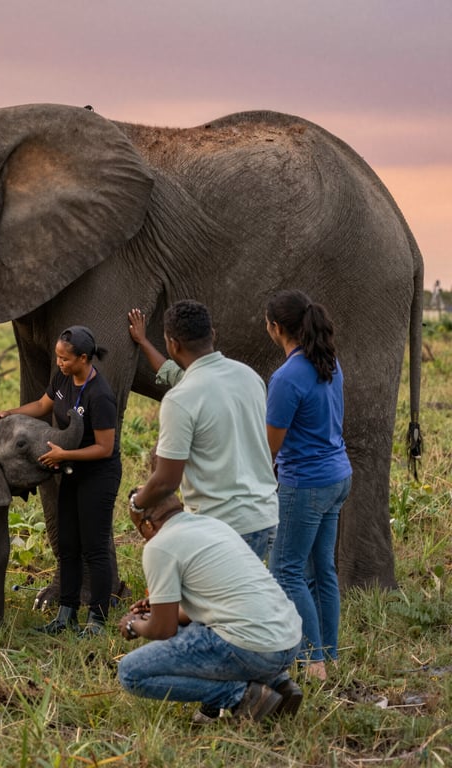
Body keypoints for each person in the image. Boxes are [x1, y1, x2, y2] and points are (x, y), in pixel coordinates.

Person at [116, 492, 303, 722]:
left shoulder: (159, 546)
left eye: (139, 529)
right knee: (195, 632)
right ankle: (278, 683)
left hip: (253, 649)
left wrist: (134, 625)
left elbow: (162, 630)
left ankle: (244, 697)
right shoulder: (211, 525)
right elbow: (206, 608)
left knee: (131, 673)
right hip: (288, 641)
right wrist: (162, 608)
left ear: (147, 524)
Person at [0, 325, 121, 636]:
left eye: (64, 358)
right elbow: (43, 406)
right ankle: (65, 615)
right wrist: (10, 413)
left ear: (83, 358)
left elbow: (105, 448)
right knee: (69, 545)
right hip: (70, 469)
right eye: (57, 357)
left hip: (97, 474)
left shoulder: (100, 395)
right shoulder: (62, 378)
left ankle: (97, 620)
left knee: (95, 547)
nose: (58, 363)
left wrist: (65, 456)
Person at [127, 301, 278, 560]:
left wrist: (137, 503)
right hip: (266, 518)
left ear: (172, 344)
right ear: (213, 334)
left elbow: (166, 481)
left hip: (223, 528)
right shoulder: (249, 376)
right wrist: (143, 342)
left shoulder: (181, 398)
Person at [265, 290, 352, 681]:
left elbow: (270, 445)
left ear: (276, 328)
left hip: (306, 484)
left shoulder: (285, 377)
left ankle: (312, 661)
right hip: (338, 476)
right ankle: (328, 656)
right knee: (322, 571)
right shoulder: (329, 363)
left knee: (286, 571)